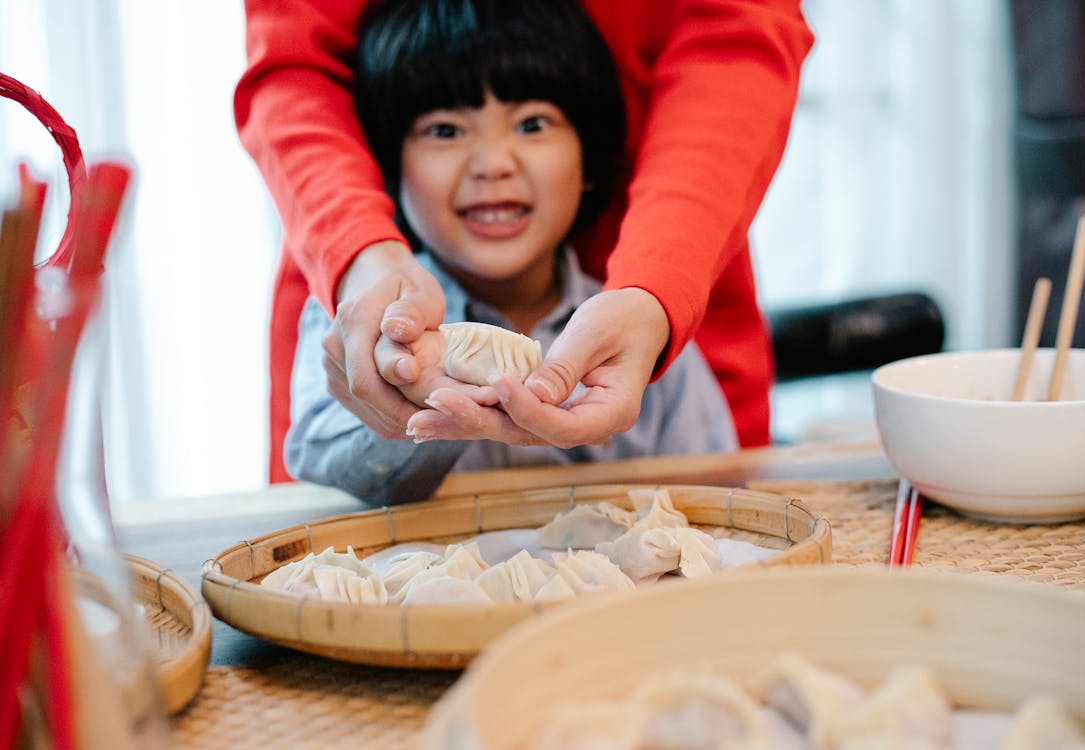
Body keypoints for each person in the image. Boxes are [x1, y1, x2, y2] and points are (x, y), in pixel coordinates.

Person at [235, 0, 813, 483]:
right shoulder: (365, 327)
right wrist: (426, 409)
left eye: (532, 124)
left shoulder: (663, 360)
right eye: (445, 131)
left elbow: (710, 513)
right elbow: (323, 481)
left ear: (594, 160)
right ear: (389, 167)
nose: (493, 163)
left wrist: (656, 290)